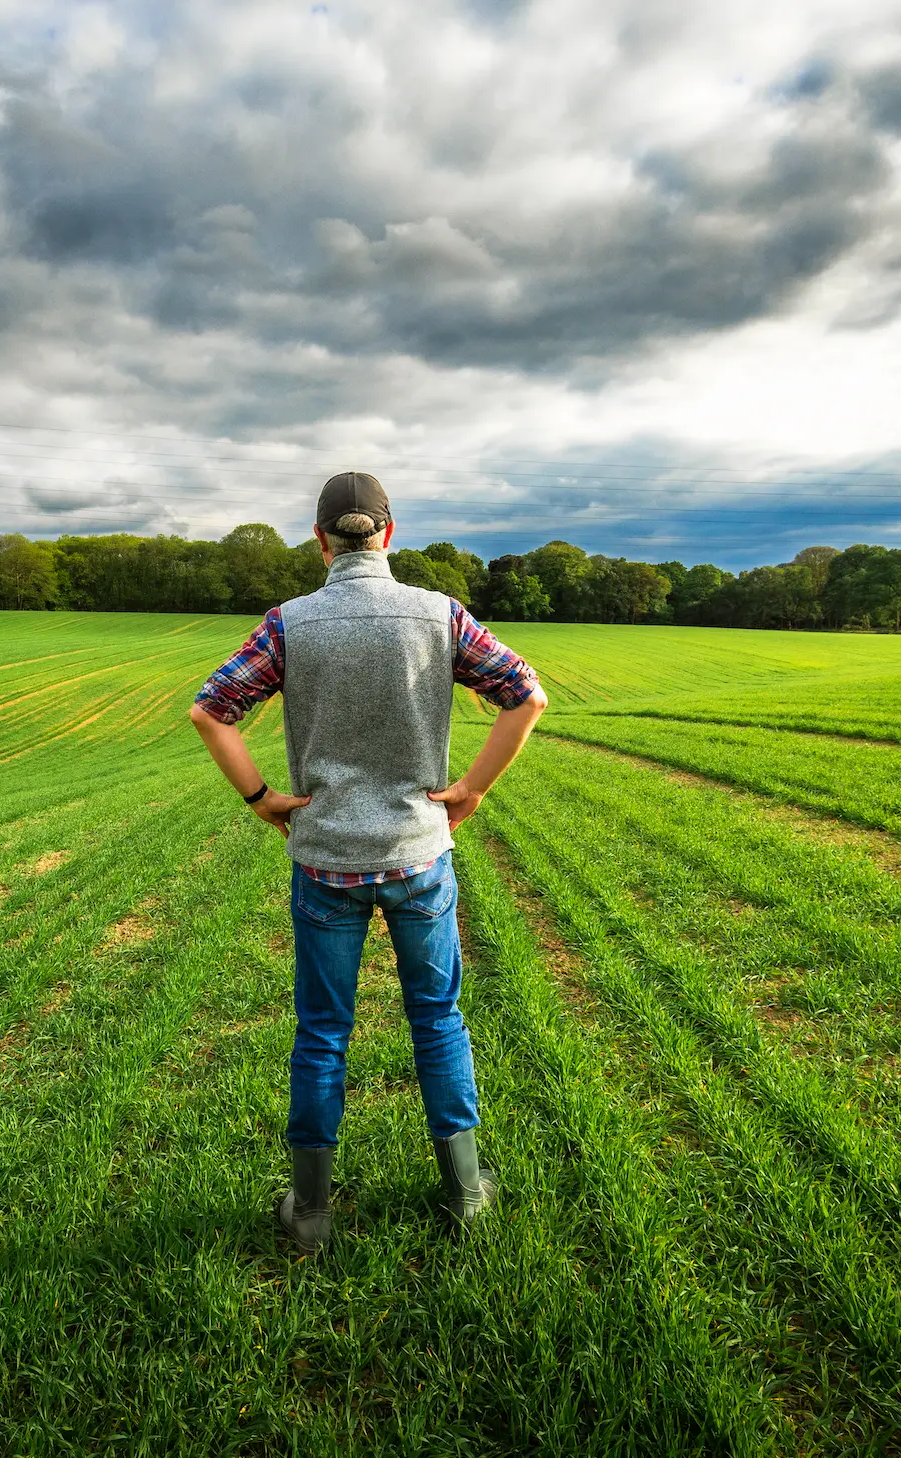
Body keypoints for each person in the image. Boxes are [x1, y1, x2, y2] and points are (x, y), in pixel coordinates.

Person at [188, 472, 549, 1254]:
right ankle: (465, 1192)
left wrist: (260, 798)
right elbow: (526, 695)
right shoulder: (441, 614)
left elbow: (209, 710)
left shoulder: (289, 624)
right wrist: (472, 789)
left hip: (323, 861)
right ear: (389, 533)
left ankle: (311, 1212)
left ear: (320, 541)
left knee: (322, 1032)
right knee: (438, 1018)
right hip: (420, 855)